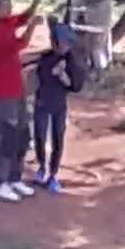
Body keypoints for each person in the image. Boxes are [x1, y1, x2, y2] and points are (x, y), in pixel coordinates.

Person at [0, 0, 41, 202]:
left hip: (16, 89)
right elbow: (19, 45)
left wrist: (33, 7)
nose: (11, 8)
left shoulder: (4, 21)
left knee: (23, 134)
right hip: (1, 93)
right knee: (9, 137)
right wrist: (32, 26)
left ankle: (14, 178)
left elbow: (19, 19)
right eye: (7, 5)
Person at [30, 19, 86, 194]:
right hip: (42, 103)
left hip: (59, 106)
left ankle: (53, 175)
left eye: (67, 42)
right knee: (40, 136)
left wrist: (64, 77)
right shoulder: (46, 58)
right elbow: (39, 77)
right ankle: (41, 167)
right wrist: (52, 71)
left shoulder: (73, 61)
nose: (64, 46)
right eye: (61, 42)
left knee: (57, 139)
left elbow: (76, 86)